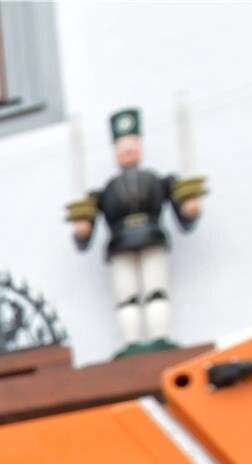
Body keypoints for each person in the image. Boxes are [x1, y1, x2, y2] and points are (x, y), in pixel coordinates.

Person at [68, 107, 206, 353]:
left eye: (132, 144)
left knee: (155, 290)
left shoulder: (157, 181)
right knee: (126, 295)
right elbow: (86, 225)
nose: (128, 150)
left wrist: (189, 210)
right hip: (120, 243)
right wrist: (82, 230)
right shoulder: (107, 190)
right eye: (122, 147)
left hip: (151, 236)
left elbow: (180, 208)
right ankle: (130, 341)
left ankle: (159, 334)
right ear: (115, 153)